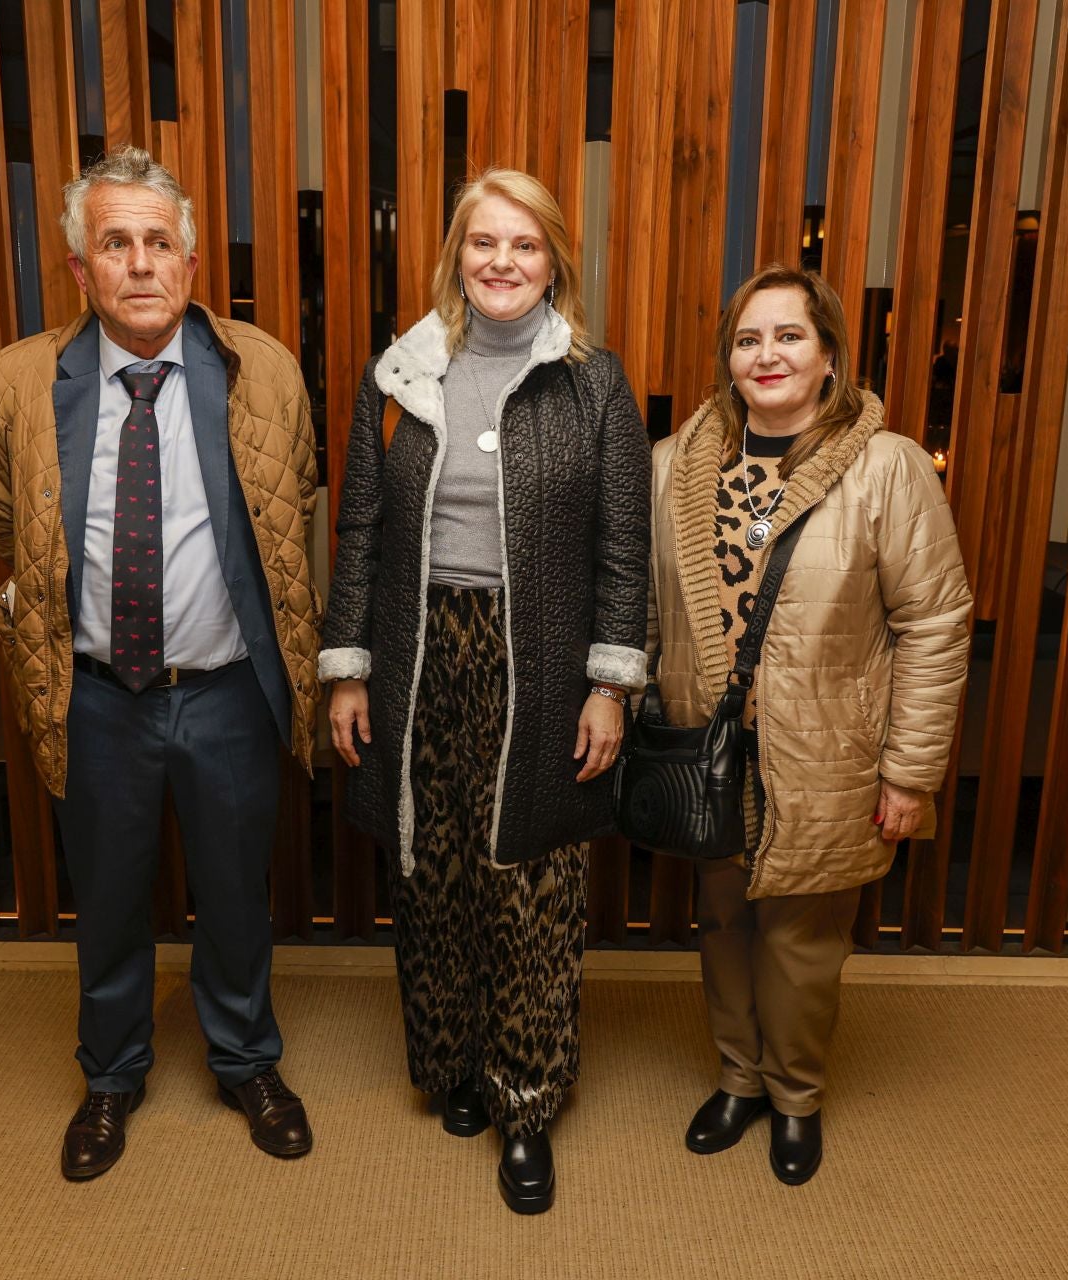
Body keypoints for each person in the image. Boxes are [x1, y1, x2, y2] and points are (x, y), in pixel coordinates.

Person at [0, 145, 321, 1181]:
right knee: (110, 895)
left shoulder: (264, 370)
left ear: (192, 258)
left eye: (158, 241)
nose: (139, 264)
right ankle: (112, 1073)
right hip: (94, 700)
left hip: (225, 692)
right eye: (113, 243)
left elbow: (293, 503)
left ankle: (246, 1058)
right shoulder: (20, 380)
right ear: (80, 267)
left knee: (235, 892)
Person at [318, 168, 650, 1214]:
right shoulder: (406, 371)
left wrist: (610, 684)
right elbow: (360, 528)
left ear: (555, 260)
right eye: (483, 243)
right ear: (455, 254)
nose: (502, 262)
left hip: (543, 661)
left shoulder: (594, 382)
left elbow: (624, 550)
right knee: (435, 867)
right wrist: (348, 666)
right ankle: (456, 1062)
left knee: (533, 882)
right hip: (420, 653)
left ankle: (527, 1097)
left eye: (526, 245)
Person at [647, 265, 971, 1186]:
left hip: (830, 755)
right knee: (722, 924)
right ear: (729, 359)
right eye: (749, 339)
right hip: (707, 751)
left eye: (790, 336)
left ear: (828, 356)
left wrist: (908, 774)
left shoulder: (886, 466)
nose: (768, 354)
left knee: (801, 943)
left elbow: (936, 623)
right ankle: (738, 1079)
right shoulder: (675, 464)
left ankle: (794, 1096)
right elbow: (638, 603)